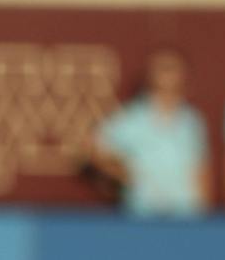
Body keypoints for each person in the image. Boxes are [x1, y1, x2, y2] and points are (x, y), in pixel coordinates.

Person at [87, 49, 211, 217]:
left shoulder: (192, 121)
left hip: (185, 215)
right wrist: (123, 176)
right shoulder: (132, 119)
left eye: (173, 68)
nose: (168, 75)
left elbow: (200, 172)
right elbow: (94, 146)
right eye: (162, 68)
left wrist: (204, 215)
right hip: (144, 213)